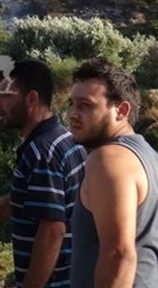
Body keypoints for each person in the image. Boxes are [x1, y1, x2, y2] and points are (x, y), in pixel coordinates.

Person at [0, 60, 86, 288]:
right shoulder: (65, 140)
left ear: (32, 99)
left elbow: (52, 231)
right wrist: (12, 202)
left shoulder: (41, 153)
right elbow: (61, 201)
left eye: (6, 95)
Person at [68, 59, 158, 287]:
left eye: (85, 105)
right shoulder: (148, 156)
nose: (72, 114)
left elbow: (119, 255)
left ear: (122, 110)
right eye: (72, 104)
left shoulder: (108, 160)